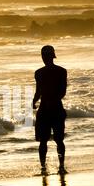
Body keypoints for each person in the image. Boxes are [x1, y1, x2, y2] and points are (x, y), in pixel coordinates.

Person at [33, 45, 68, 175]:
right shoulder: (61, 71)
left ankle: (45, 168)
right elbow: (62, 92)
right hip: (55, 109)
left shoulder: (39, 72)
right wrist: (34, 101)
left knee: (45, 141)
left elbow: (39, 93)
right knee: (58, 140)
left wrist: (35, 101)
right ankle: (60, 167)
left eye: (44, 56)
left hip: (46, 110)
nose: (44, 58)